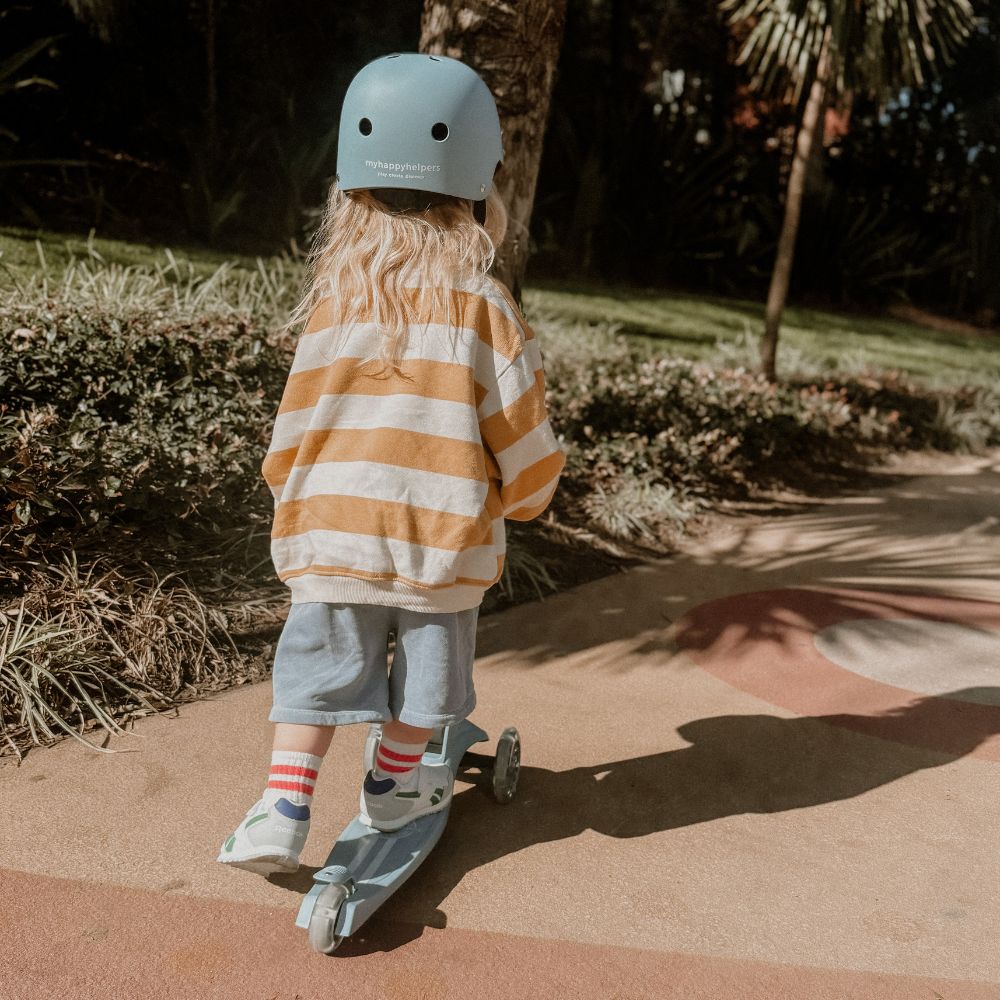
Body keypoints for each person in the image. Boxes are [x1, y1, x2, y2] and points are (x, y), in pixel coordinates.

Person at [218, 52, 564, 874]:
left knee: (318, 674)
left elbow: (290, 431)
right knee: (429, 685)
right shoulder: (483, 309)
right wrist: (528, 495)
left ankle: (282, 802)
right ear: (480, 193)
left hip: (334, 530)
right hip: (438, 542)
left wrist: (294, 503)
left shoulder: (335, 304)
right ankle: (393, 781)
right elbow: (520, 429)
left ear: (350, 194)